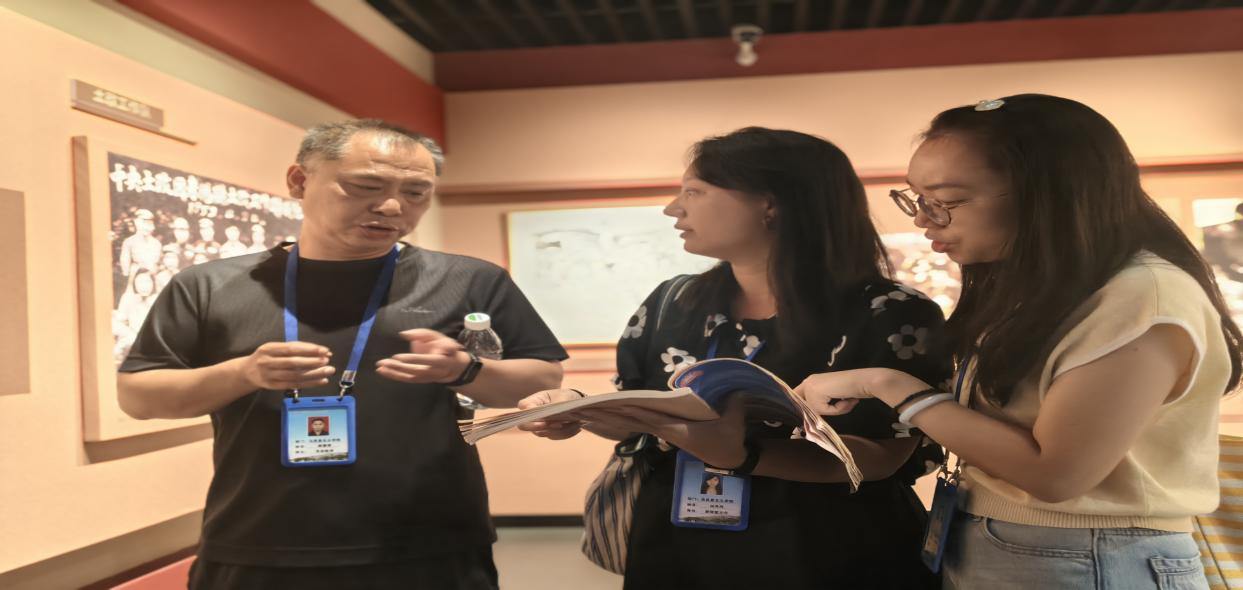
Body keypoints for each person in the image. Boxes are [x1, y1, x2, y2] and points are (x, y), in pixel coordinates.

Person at [796, 94, 1241, 589]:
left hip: (1085, 556)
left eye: (947, 201)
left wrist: (889, 385)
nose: (923, 219)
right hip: (1021, 545)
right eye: (917, 198)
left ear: (1048, 194)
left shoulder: (1141, 296)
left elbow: (1055, 474)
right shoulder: (1045, 290)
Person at [117, 119, 568, 589]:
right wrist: (243, 373)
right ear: (299, 181)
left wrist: (465, 370)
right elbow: (138, 396)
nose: (392, 206)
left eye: (416, 193)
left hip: (431, 541)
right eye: (365, 186)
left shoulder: (469, 280)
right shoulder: (210, 286)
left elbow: (543, 379)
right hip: (258, 542)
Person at [521, 127, 950, 589]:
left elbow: (884, 454)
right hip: (679, 544)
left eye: (694, 191)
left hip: (827, 546)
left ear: (770, 203)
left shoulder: (890, 312)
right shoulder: (673, 301)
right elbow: (640, 419)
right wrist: (578, 407)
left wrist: (744, 456)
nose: (673, 208)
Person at [118, 208, 162, 277]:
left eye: (149, 223)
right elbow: (125, 262)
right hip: (136, 275)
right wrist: (127, 274)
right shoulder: (129, 242)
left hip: (153, 274)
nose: (146, 227)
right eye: (143, 223)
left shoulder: (156, 243)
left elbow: (158, 262)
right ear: (136, 223)